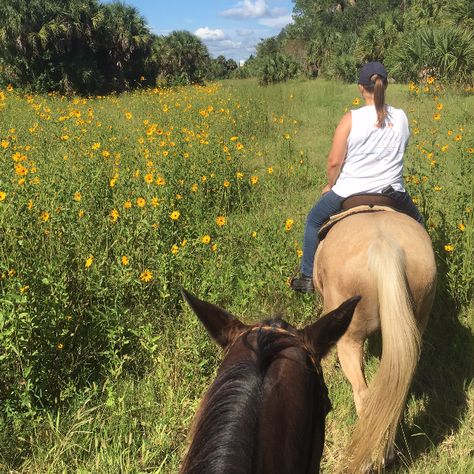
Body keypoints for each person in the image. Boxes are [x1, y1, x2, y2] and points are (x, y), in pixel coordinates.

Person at [291, 61, 424, 293]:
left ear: (360, 88)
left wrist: (330, 185)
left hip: (349, 192)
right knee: (420, 225)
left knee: (313, 221)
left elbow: (334, 162)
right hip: (393, 193)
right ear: (386, 86)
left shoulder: (351, 118)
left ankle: (306, 278)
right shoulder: (401, 117)